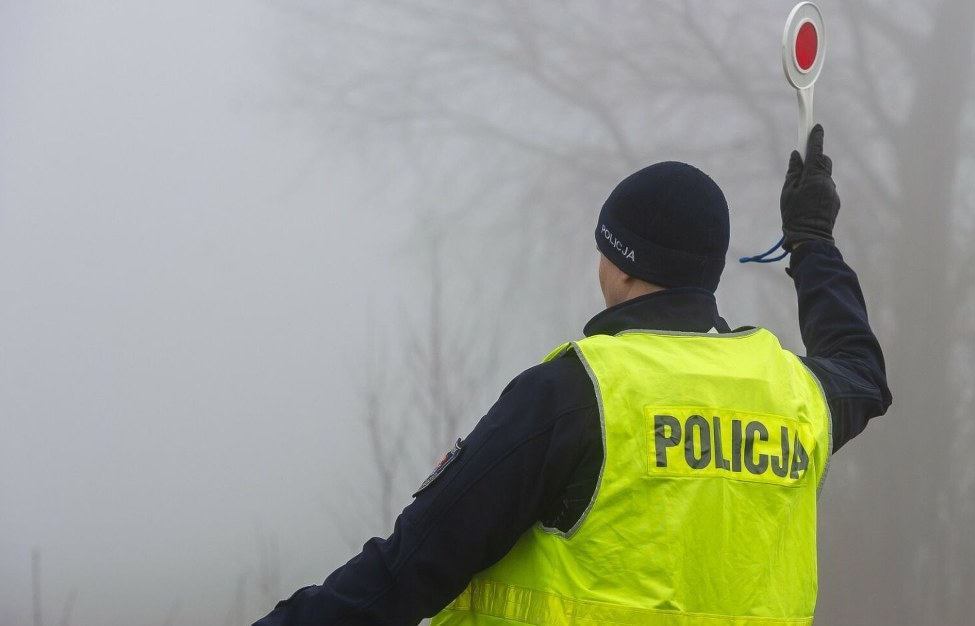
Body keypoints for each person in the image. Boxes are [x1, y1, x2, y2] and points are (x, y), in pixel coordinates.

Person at [253, 125, 891, 625]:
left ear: (619, 266)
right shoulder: (792, 396)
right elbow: (861, 370)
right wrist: (812, 244)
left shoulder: (575, 395)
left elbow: (408, 571)